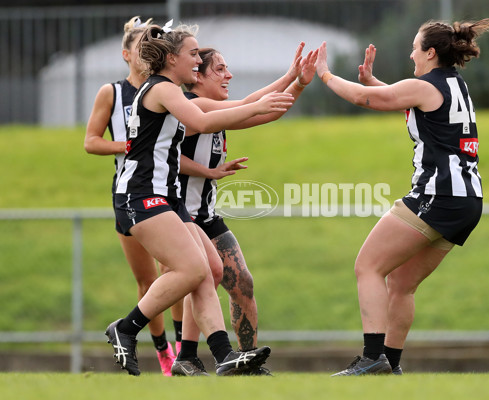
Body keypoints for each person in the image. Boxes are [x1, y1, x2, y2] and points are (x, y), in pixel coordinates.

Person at [104, 20, 294, 376]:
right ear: (171, 57)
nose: (197, 59)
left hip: (165, 197)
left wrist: (284, 84)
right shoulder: (162, 89)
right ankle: (126, 329)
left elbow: (226, 110)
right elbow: (206, 122)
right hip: (141, 194)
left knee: (210, 270)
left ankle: (223, 356)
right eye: (193, 53)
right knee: (191, 269)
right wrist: (259, 105)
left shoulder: (170, 91)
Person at [314, 18, 489, 375]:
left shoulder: (424, 85)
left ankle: (371, 358)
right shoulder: (453, 85)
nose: (411, 52)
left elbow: (364, 100)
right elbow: (413, 108)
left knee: (368, 266)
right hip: (466, 200)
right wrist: (376, 83)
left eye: (415, 47)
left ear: (430, 53)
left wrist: (325, 73)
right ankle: (390, 365)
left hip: (438, 194)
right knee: (401, 284)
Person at [169, 44, 318, 376]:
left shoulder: (216, 112)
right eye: (220, 69)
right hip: (179, 217)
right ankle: (180, 352)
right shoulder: (194, 107)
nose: (229, 75)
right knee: (200, 280)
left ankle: (246, 360)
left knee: (242, 284)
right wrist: (290, 75)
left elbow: (266, 112)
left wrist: (299, 83)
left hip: (206, 215)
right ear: (197, 76)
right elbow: (249, 105)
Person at [84, 16, 183, 376]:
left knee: (178, 269)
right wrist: (126, 145)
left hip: (164, 189)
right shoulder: (112, 92)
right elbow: (91, 141)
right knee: (148, 279)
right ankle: (163, 350)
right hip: (130, 191)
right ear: (126, 54)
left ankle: (183, 351)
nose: (147, 51)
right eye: (139, 46)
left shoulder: (166, 89)